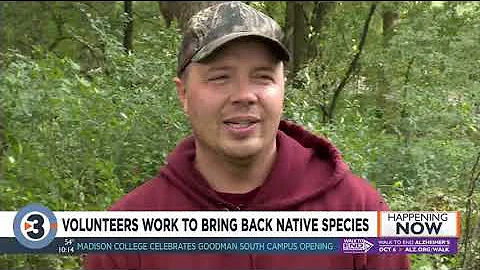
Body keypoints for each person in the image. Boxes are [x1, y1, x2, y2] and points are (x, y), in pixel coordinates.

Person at [85, 1, 410, 269]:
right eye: (220, 77)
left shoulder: (360, 211)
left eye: (262, 77)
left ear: (283, 89)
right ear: (183, 94)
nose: (244, 95)